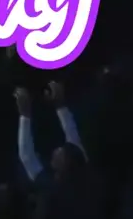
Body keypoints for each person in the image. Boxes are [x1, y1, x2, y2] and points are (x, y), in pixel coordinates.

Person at [15, 81, 100, 219]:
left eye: (62, 153)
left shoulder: (51, 189)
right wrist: (60, 106)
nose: (58, 149)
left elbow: (27, 156)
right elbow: (74, 141)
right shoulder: (82, 176)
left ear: (62, 169)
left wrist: (25, 114)